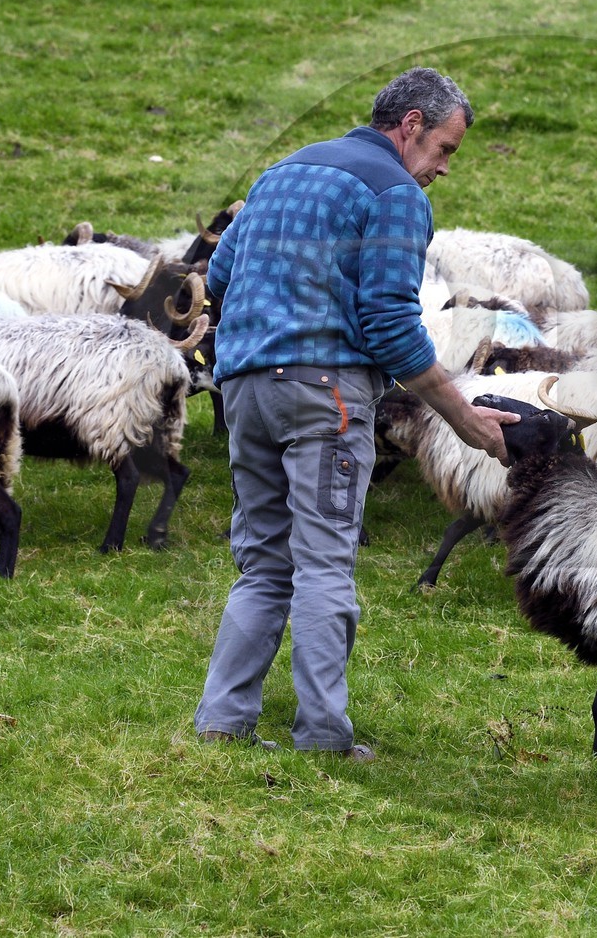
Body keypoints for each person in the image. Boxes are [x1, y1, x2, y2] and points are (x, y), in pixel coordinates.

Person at [193, 67, 519, 760]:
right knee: (323, 564)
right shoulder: (394, 193)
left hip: (246, 387)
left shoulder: (283, 172)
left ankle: (223, 722)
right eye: (445, 149)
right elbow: (391, 328)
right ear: (410, 126)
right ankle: (322, 736)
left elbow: (219, 277)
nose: (442, 169)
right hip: (325, 394)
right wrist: (464, 421)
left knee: (263, 564)